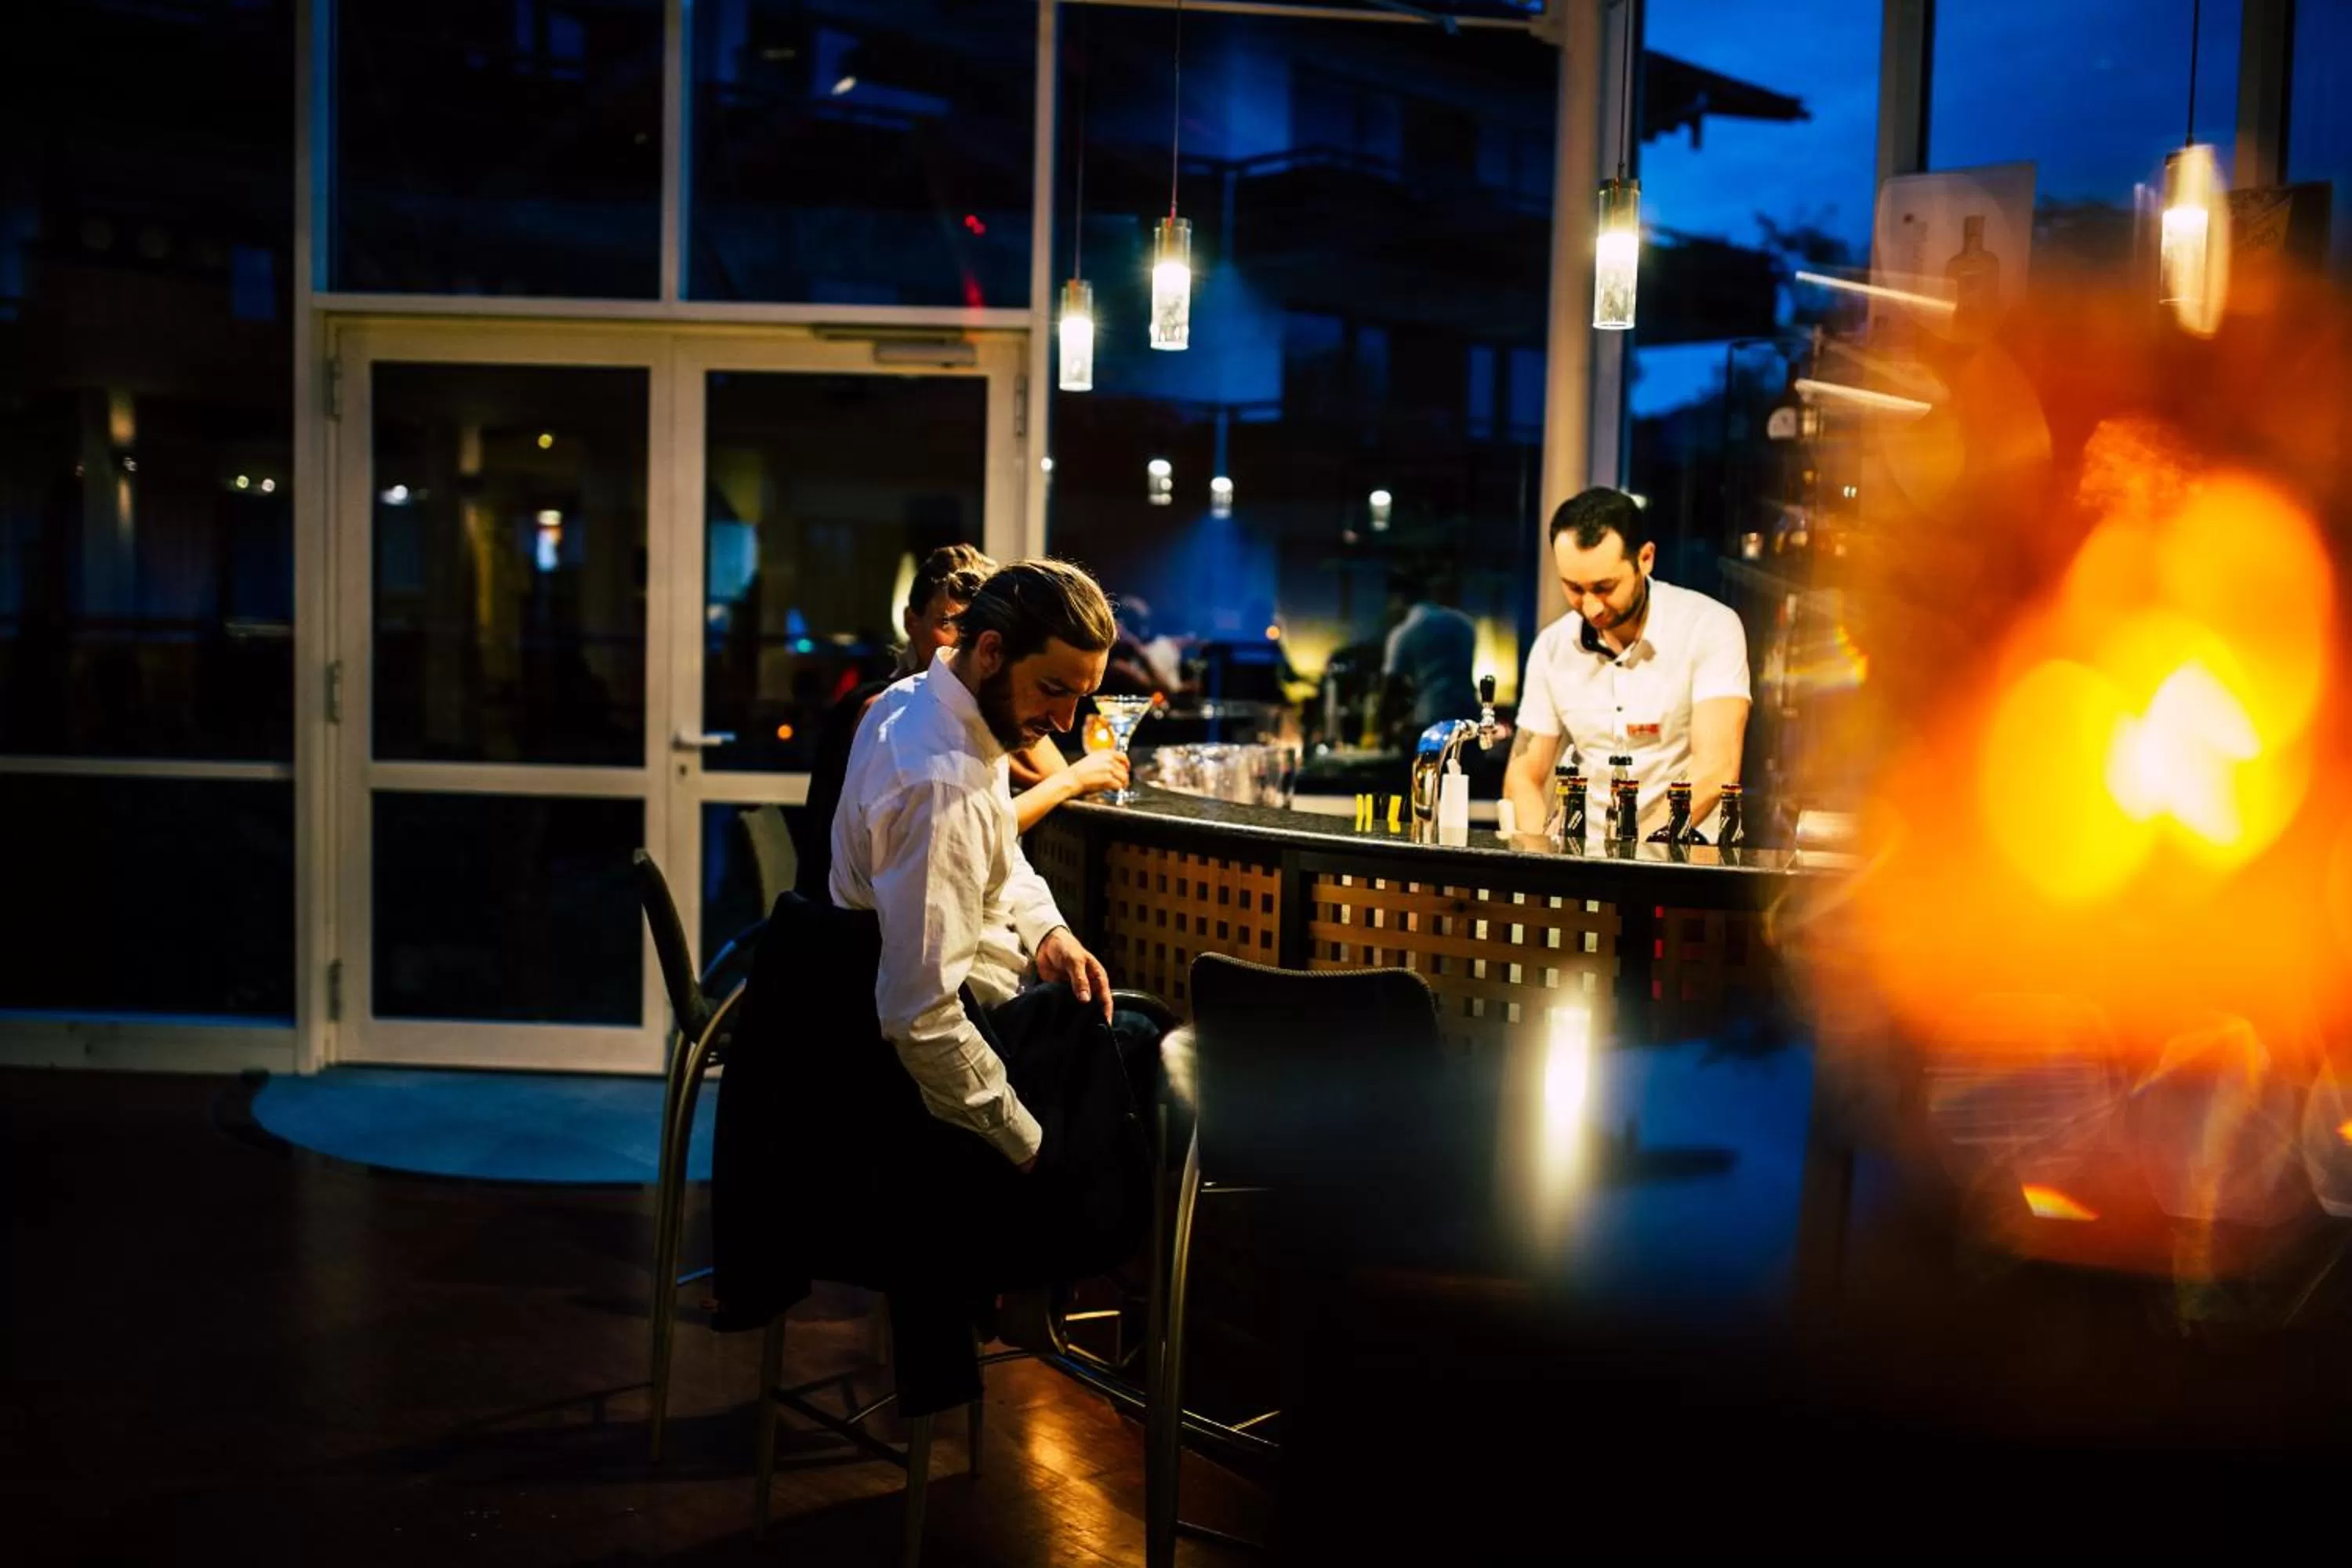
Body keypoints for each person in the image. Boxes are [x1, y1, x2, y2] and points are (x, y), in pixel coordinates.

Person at [829, 560, 1166, 1331]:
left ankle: (1069, 1290)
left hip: (937, 1015)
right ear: (989, 652)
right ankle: (1075, 1290)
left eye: (1082, 695)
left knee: (1116, 1022)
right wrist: (1026, 1145)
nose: (1068, 718)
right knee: (1144, 1042)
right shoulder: (938, 777)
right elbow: (920, 1018)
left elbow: (1001, 853)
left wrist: (1048, 931)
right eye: (1054, 689)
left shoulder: (924, 704)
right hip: (909, 1082)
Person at [796, 544, 1127, 897]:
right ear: (912, 622)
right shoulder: (892, 708)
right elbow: (962, 827)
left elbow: (1030, 783)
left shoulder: (968, 716)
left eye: (975, 622)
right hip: (841, 931)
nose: (962, 638)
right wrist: (1072, 781)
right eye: (949, 623)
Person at [1502, 487, 1751, 839]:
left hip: (1685, 862)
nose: (1591, 607)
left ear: (1645, 558)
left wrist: (1635, 858)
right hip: (1587, 866)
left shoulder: (1709, 627)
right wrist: (1538, 852)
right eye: (1574, 588)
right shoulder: (1553, 646)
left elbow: (1717, 767)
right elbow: (1524, 772)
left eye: (1604, 587)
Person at [1381, 572, 1479, 735]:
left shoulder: (1405, 633)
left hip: (1431, 719)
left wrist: (1384, 729)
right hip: (1469, 718)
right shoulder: (1463, 623)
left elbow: (1391, 688)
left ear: (1399, 598)